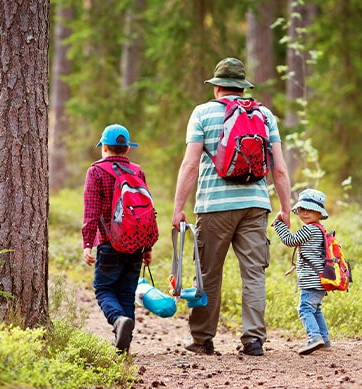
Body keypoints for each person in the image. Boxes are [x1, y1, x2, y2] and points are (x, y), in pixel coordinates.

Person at [170, 58, 295, 357]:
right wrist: (285, 208)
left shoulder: (202, 113)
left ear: (217, 88)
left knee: (208, 274)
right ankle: (253, 340)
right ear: (242, 87)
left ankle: (202, 339)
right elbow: (278, 169)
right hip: (255, 205)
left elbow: (190, 165)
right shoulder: (264, 115)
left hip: (214, 206)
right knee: (253, 274)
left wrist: (178, 208)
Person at [82, 124, 155, 354]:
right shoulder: (137, 171)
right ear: (127, 150)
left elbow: (91, 211)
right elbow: (146, 212)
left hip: (108, 243)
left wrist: (87, 244)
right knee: (126, 292)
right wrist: (147, 247)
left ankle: (117, 321)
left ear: (104, 147)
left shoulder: (96, 171)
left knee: (103, 288)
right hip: (136, 244)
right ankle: (123, 347)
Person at [272, 189, 332, 355]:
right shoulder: (320, 229)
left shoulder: (310, 230)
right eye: (302, 210)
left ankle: (314, 337)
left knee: (304, 308)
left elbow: (289, 240)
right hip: (320, 280)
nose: (305, 213)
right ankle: (324, 339)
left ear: (319, 213)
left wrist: (279, 224)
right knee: (315, 309)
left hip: (311, 280)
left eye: (310, 210)